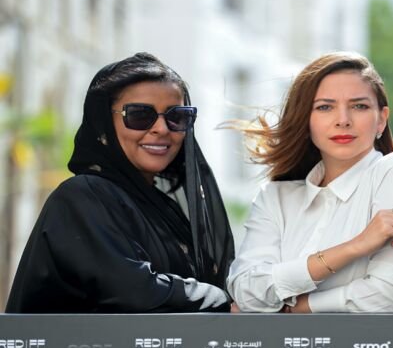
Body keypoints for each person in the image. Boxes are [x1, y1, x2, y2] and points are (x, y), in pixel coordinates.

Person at [6, 53, 234, 313]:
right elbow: (136, 291)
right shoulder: (82, 196)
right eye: (139, 115)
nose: (161, 128)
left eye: (177, 116)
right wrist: (221, 299)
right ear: (104, 124)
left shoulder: (162, 210)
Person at [227, 52, 393, 313]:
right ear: (306, 119)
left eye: (359, 106)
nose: (343, 120)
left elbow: (391, 295)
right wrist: (354, 247)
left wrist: (297, 308)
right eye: (325, 107)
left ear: (381, 119)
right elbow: (247, 291)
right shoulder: (275, 197)